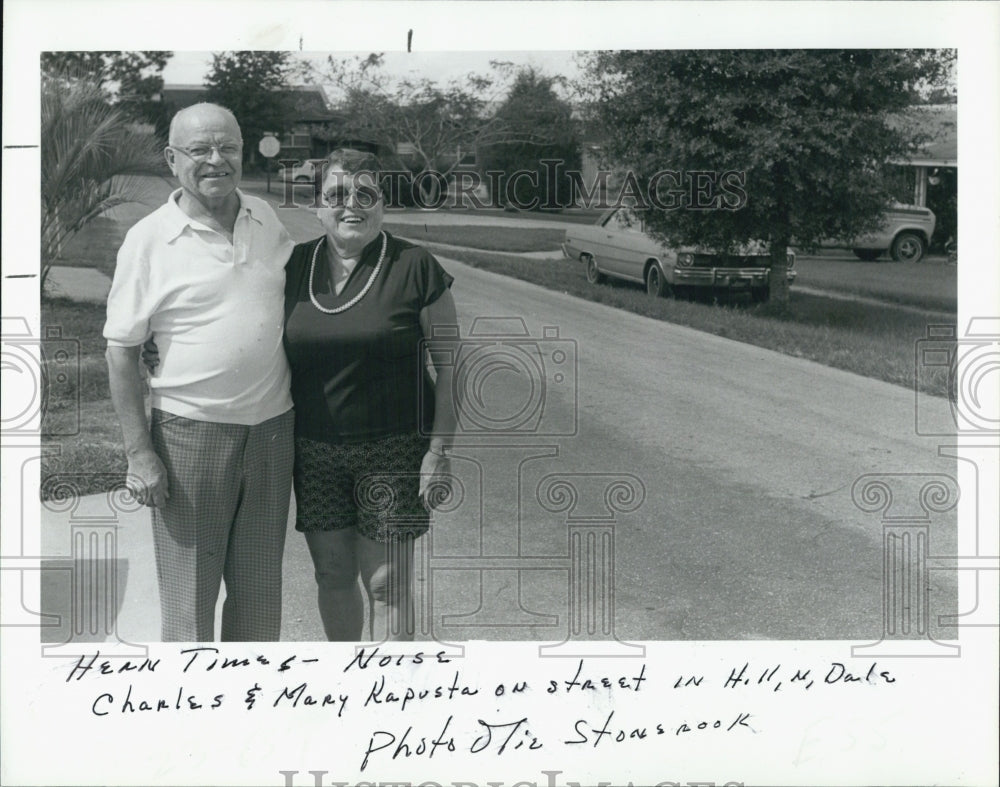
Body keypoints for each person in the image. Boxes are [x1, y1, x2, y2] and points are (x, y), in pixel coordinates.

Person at [104, 103, 295, 642]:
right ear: (171, 158)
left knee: (259, 601)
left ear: (242, 151)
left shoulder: (265, 217)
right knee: (189, 606)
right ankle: (190, 719)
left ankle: (247, 715)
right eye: (200, 150)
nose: (217, 160)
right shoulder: (148, 239)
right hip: (190, 438)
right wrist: (140, 454)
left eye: (228, 148)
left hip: (273, 433)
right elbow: (121, 352)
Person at [283, 149, 458, 641]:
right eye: (337, 194)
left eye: (366, 194)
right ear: (317, 205)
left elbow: (450, 365)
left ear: (382, 203)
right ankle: (346, 689)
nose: (351, 206)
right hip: (314, 450)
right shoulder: (293, 265)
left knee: (387, 584)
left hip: (394, 447)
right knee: (332, 576)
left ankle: (390, 696)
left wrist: (439, 450)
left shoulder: (415, 266)